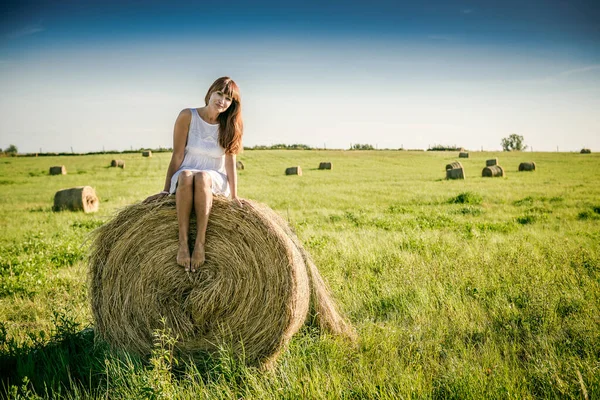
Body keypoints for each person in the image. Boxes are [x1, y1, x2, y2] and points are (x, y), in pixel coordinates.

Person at [144, 77, 244, 272]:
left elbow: (230, 162)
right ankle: (182, 243)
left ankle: (200, 242)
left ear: (232, 104)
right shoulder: (187, 116)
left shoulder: (231, 125)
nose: (222, 101)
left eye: (228, 99)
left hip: (214, 177)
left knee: (202, 177)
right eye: (219, 94)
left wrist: (234, 195)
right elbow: (178, 154)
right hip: (185, 173)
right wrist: (165, 190)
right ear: (210, 93)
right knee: (188, 175)